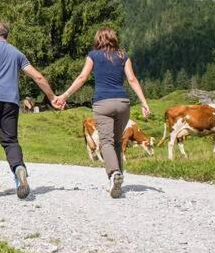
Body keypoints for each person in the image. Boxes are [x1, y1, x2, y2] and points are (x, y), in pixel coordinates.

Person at [0, 21, 59, 199]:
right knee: (9, 140)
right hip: (10, 102)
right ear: (6, 36)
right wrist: (53, 97)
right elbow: (38, 76)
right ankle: (18, 168)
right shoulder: (17, 53)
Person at [54, 27, 151, 199]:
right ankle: (118, 177)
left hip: (102, 103)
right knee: (117, 141)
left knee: (105, 141)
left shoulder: (93, 55)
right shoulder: (123, 56)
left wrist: (65, 95)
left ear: (98, 39)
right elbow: (132, 79)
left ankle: (114, 174)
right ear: (114, 39)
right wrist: (144, 102)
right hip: (122, 103)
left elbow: (82, 78)